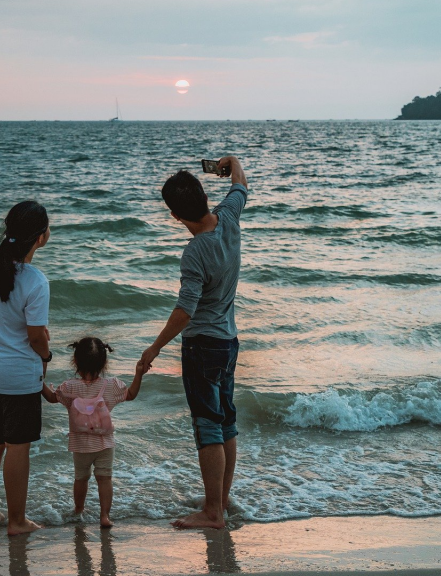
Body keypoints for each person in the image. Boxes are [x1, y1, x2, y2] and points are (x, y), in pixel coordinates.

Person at [138, 155, 249, 529]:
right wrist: (228, 162)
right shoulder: (229, 217)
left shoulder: (195, 251)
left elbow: (186, 310)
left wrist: (154, 348)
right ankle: (221, 499)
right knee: (226, 422)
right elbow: (240, 182)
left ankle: (213, 512)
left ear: (174, 216)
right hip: (229, 341)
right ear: (204, 195)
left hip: (202, 344)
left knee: (208, 426)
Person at [0, 200, 52, 536]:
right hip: (19, 376)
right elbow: (36, 337)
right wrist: (47, 357)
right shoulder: (36, 281)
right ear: (40, 237)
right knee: (18, 447)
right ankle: (18, 522)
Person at [41, 337, 144, 528]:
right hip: (104, 444)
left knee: (81, 478)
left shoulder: (70, 387)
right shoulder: (111, 386)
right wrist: (139, 373)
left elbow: (50, 397)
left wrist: (39, 377)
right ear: (104, 363)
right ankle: (104, 516)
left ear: (76, 361)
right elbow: (131, 394)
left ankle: (78, 510)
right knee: (104, 478)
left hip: (80, 445)